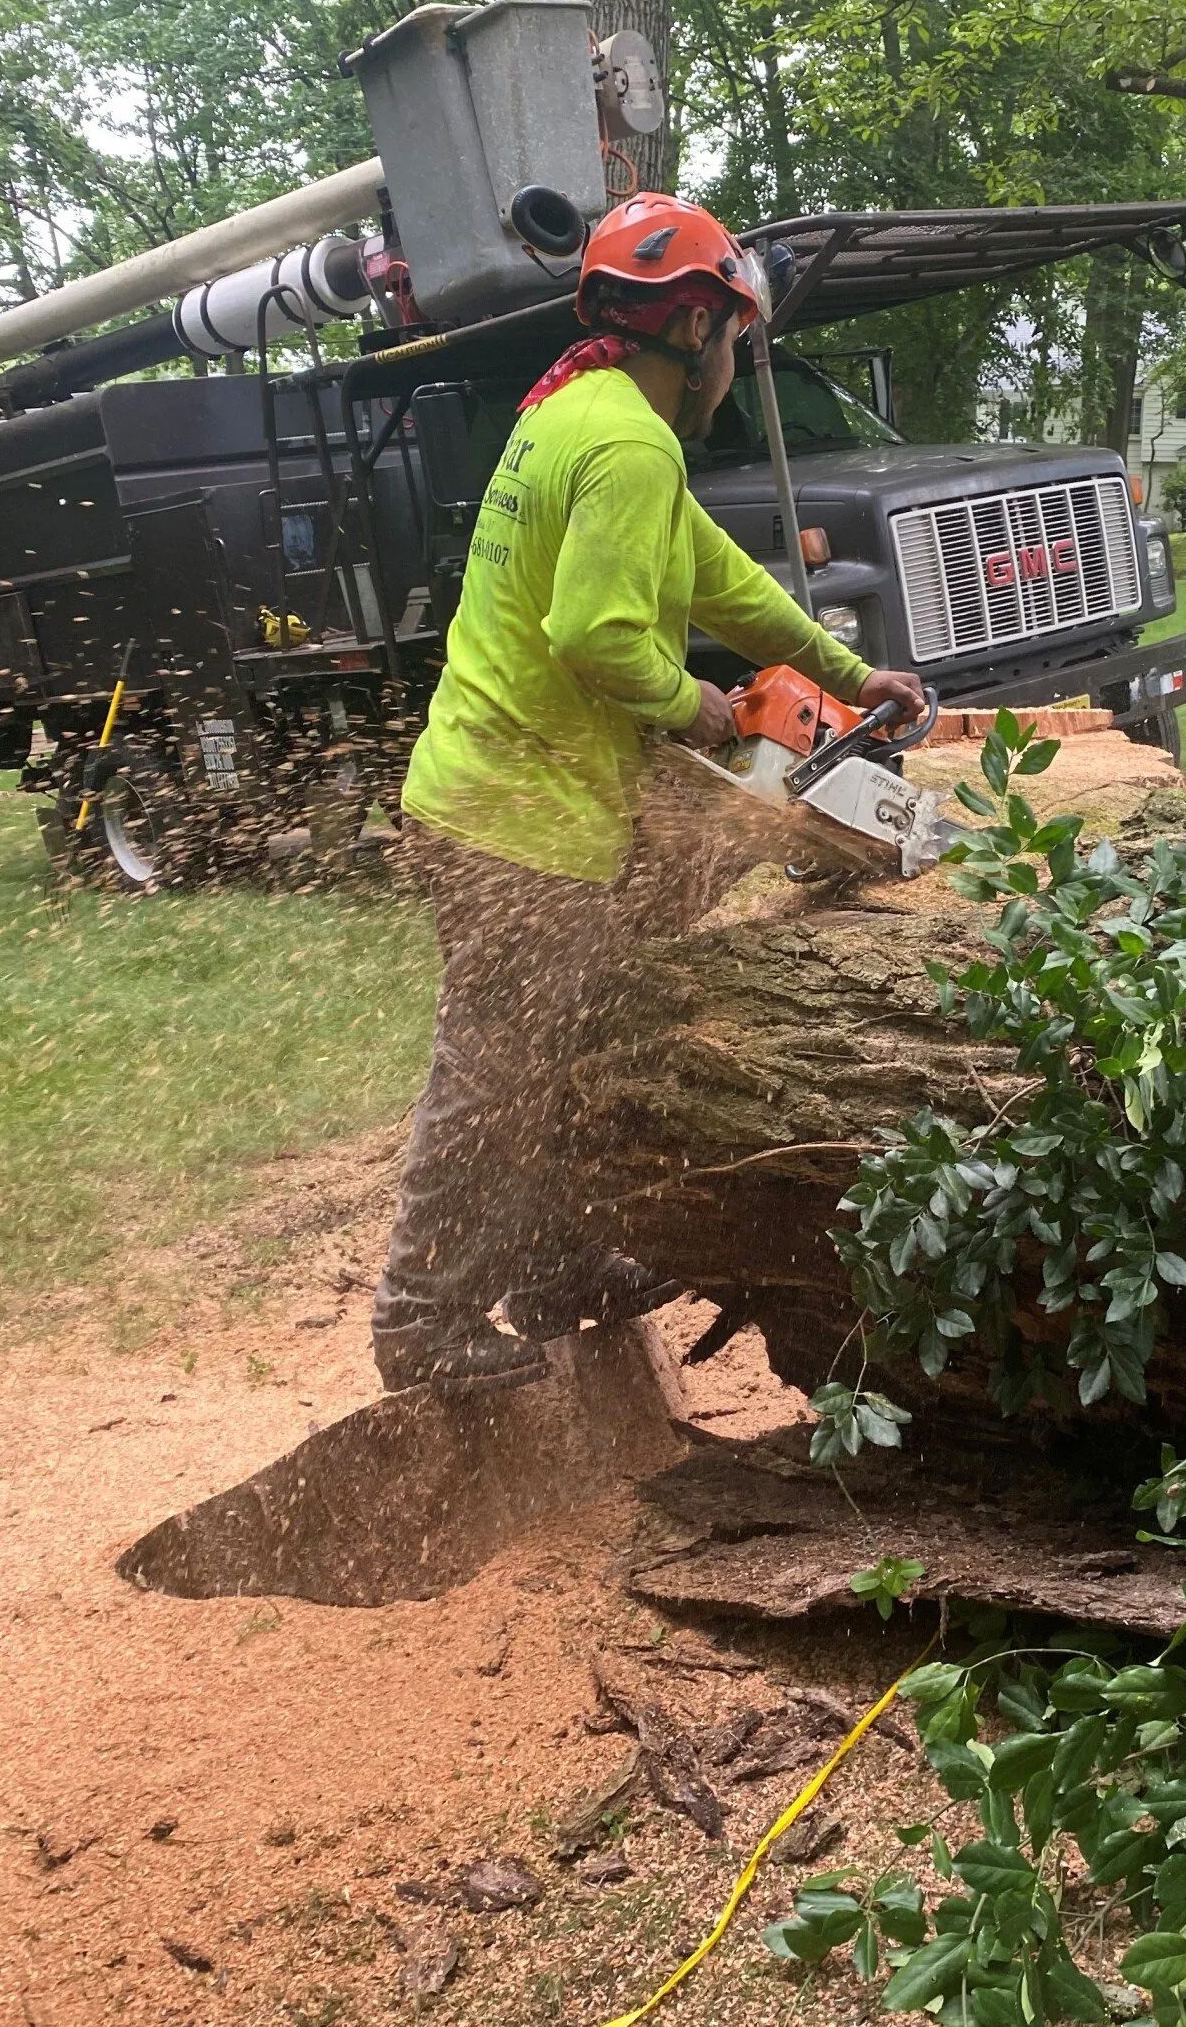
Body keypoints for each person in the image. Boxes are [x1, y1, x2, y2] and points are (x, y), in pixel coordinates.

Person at [372, 191, 927, 1391]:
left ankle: (555, 1263)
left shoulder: (585, 411)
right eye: (735, 331)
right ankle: (418, 1325)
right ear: (692, 329)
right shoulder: (627, 442)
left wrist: (846, 671)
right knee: (493, 1067)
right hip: (515, 820)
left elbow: (726, 582)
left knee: (578, 1037)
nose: (740, 357)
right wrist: (700, 710)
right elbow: (598, 636)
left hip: (506, 797)